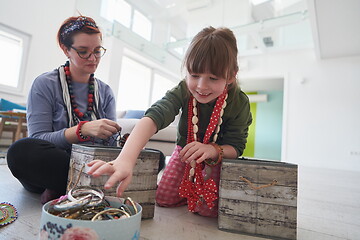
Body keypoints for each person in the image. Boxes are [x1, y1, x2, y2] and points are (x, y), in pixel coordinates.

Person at [88, 26, 252, 217]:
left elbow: (236, 146)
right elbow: (154, 116)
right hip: (185, 153)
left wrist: (212, 150)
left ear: (231, 76)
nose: (201, 86)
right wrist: (125, 159)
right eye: (194, 75)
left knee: (209, 210)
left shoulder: (239, 102)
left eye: (213, 78)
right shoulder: (183, 90)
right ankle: (188, 192)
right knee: (164, 199)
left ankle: (193, 194)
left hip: (218, 160)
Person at [7, 16, 121, 204]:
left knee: (152, 158)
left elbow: (109, 148)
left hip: (92, 164)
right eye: (83, 52)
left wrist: (116, 140)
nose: (93, 59)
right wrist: (81, 130)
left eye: (98, 51)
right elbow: (38, 139)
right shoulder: (45, 84)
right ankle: (81, 187)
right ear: (65, 49)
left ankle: (66, 187)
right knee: (20, 152)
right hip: (53, 163)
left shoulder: (106, 92)